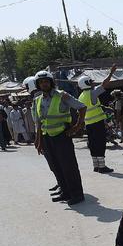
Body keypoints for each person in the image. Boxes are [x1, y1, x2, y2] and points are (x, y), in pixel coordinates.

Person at [33, 70, 87, 205]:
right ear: (37, 85)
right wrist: (39, 141)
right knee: (56, 167)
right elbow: (39, 122)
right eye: (41, 82)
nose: (44, 84)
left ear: (51, 82)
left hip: (62, 137)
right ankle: (65, 192)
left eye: (46, 81)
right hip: (47, 139)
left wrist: (77, 126)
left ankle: (77, 194)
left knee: (69, 167)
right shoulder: (37, 100)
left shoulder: (62, 95)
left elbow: (82, 107)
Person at [77, 64, 117, 174]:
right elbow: (105, 84)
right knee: (100, 144)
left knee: (93, 145)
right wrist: (111, 73)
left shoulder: (81, 96)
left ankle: (96, 166)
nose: (93, 83)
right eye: (91, 82)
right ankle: (102, 167)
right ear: (86, 83)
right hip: (97, 123)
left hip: (88, 124)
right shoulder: (92, 93)